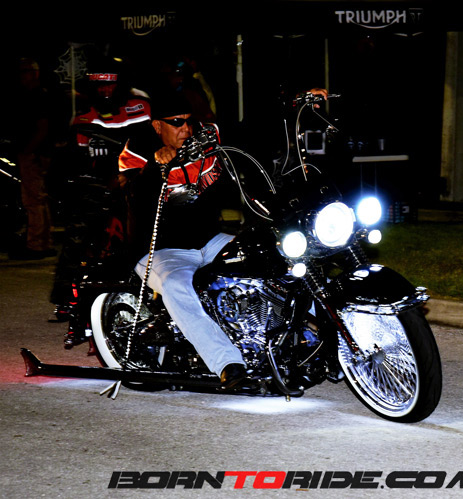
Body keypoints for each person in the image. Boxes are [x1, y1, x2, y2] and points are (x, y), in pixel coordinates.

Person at [119, 88, 328, 388]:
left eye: (189, 120)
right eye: (177, 122)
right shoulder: (139, 147)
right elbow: (128, 192)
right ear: (157, 125)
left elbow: (249, 127)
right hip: (159, 250)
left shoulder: (206, 136)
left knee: (276, 257)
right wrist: (155, 167)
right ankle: (227, 363)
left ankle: (317, 336)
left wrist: (294, 102)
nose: (185, 129)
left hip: (208, 239)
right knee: (177, 286)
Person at [51, 56, 152, 319]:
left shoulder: (142, 107)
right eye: (99, 85)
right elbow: (76, 160)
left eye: (109, 84)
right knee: (78, 234)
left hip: (143, 180)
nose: (104, 90)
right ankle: (66, 297)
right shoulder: (84, 118)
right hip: (100, 185)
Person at [9, 58, 56, 260]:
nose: (22, 76)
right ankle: (43, 242)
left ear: (35, 73)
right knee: (39, 199)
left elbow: (42, 127)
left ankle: (36, 244)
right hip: (38, 152)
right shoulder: (39, 95)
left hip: (34, 153)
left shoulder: (37, 96)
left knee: (33, 199)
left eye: (25, 71)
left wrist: (28, 151)